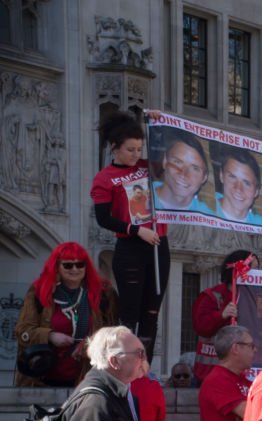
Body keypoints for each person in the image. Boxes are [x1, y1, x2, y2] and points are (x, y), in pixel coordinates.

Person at [91, 112, 169, 361]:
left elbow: (173, 151)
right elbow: (104, 218)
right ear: (115, 148)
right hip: (130, 247)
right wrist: (136, 230)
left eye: (139, 148)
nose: (136, 154)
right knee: (130, 313)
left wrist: (158, 123)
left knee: (152, 312)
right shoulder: (105, 178)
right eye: (130, 149)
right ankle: (123, 363)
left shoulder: (149, 166)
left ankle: (144, 367)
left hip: (158, 245)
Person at [15, 242, 118, 387]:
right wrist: (50, 336)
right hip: (43, 379)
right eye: (68, 265)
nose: (75, 269)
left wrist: (90, 344)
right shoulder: (40, 291)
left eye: (80, 264)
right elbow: (22, 331)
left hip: (87, 378)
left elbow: (113, 334)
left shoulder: (104, 293)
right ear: (57, 266)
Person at [191, 250, 260, 385]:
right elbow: (200, 326)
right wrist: (221, 316)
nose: (256, 273)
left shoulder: (254, 298)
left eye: (258, 269)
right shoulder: (212, 296)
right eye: (253, 268)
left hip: (244, 375)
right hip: (210, 374)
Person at [153, 130, 211, 212]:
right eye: (177, 162)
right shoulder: (140, 194)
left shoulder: (207, 215)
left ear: (204, 177)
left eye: (195, 168)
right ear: (165, 161)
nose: (183, 174)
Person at [215, 147, 262, 225]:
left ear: (256, 191)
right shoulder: (203, 209)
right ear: (221, 176)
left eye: (246, 183)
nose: (238, 188)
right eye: (232, 177)